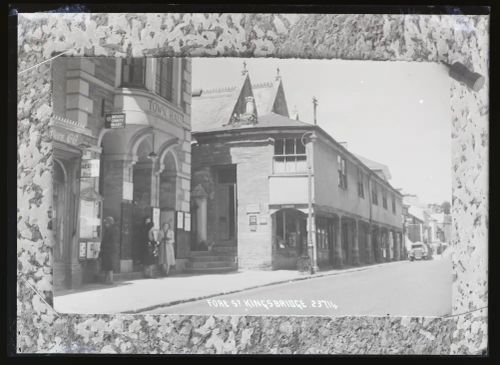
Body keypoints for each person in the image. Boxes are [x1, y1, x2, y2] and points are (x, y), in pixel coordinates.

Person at [100, 216, 117, 285]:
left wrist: (102, 248)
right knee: (108, 266)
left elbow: (106, 241)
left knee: (109, 266)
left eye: (106, 223)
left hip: (108, 250)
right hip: (110, 250)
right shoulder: (112, 229)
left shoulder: (109, 230)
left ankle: (110, 280)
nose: (105, 224)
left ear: (109, 223)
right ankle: (107, 280)